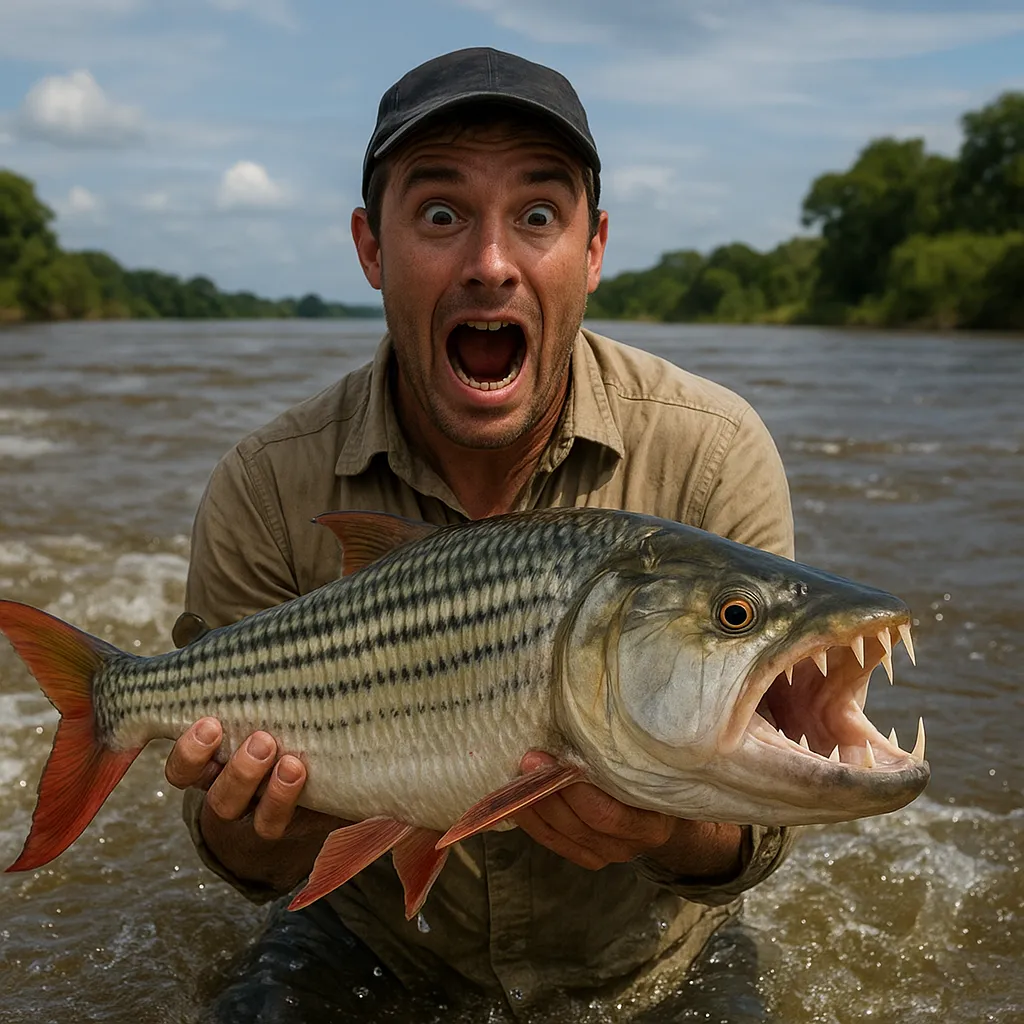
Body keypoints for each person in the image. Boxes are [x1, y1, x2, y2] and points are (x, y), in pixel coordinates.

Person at [164, 47, 796, 1021]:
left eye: (538, 216)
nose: (491, 264)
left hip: (649, 967)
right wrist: (255, 825)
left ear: (593, 249)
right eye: (441, 214)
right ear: (372, 248)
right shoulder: (265, 482)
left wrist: (668, 832)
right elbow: (239, 860)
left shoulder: (712, 454)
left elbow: (760, 824)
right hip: (368, 948)